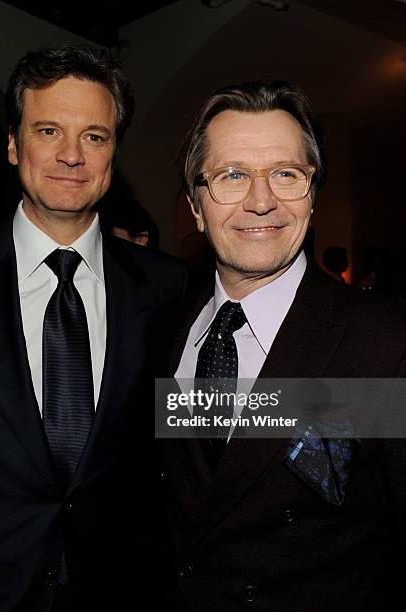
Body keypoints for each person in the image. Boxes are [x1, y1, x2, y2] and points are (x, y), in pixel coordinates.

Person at [0, 43, 186, 611]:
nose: (72, 155)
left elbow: (192, 443)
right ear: (13, 143)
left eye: (94, 136)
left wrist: (364, 406)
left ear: (113, 151)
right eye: (48, 131)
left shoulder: (168, 287)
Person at [157, 81, 406, 610]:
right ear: (196, 208)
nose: (262, 200)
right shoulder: (165, 331)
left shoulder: (386, 342)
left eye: (286, 175)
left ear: (312, 197)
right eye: (232, 176)